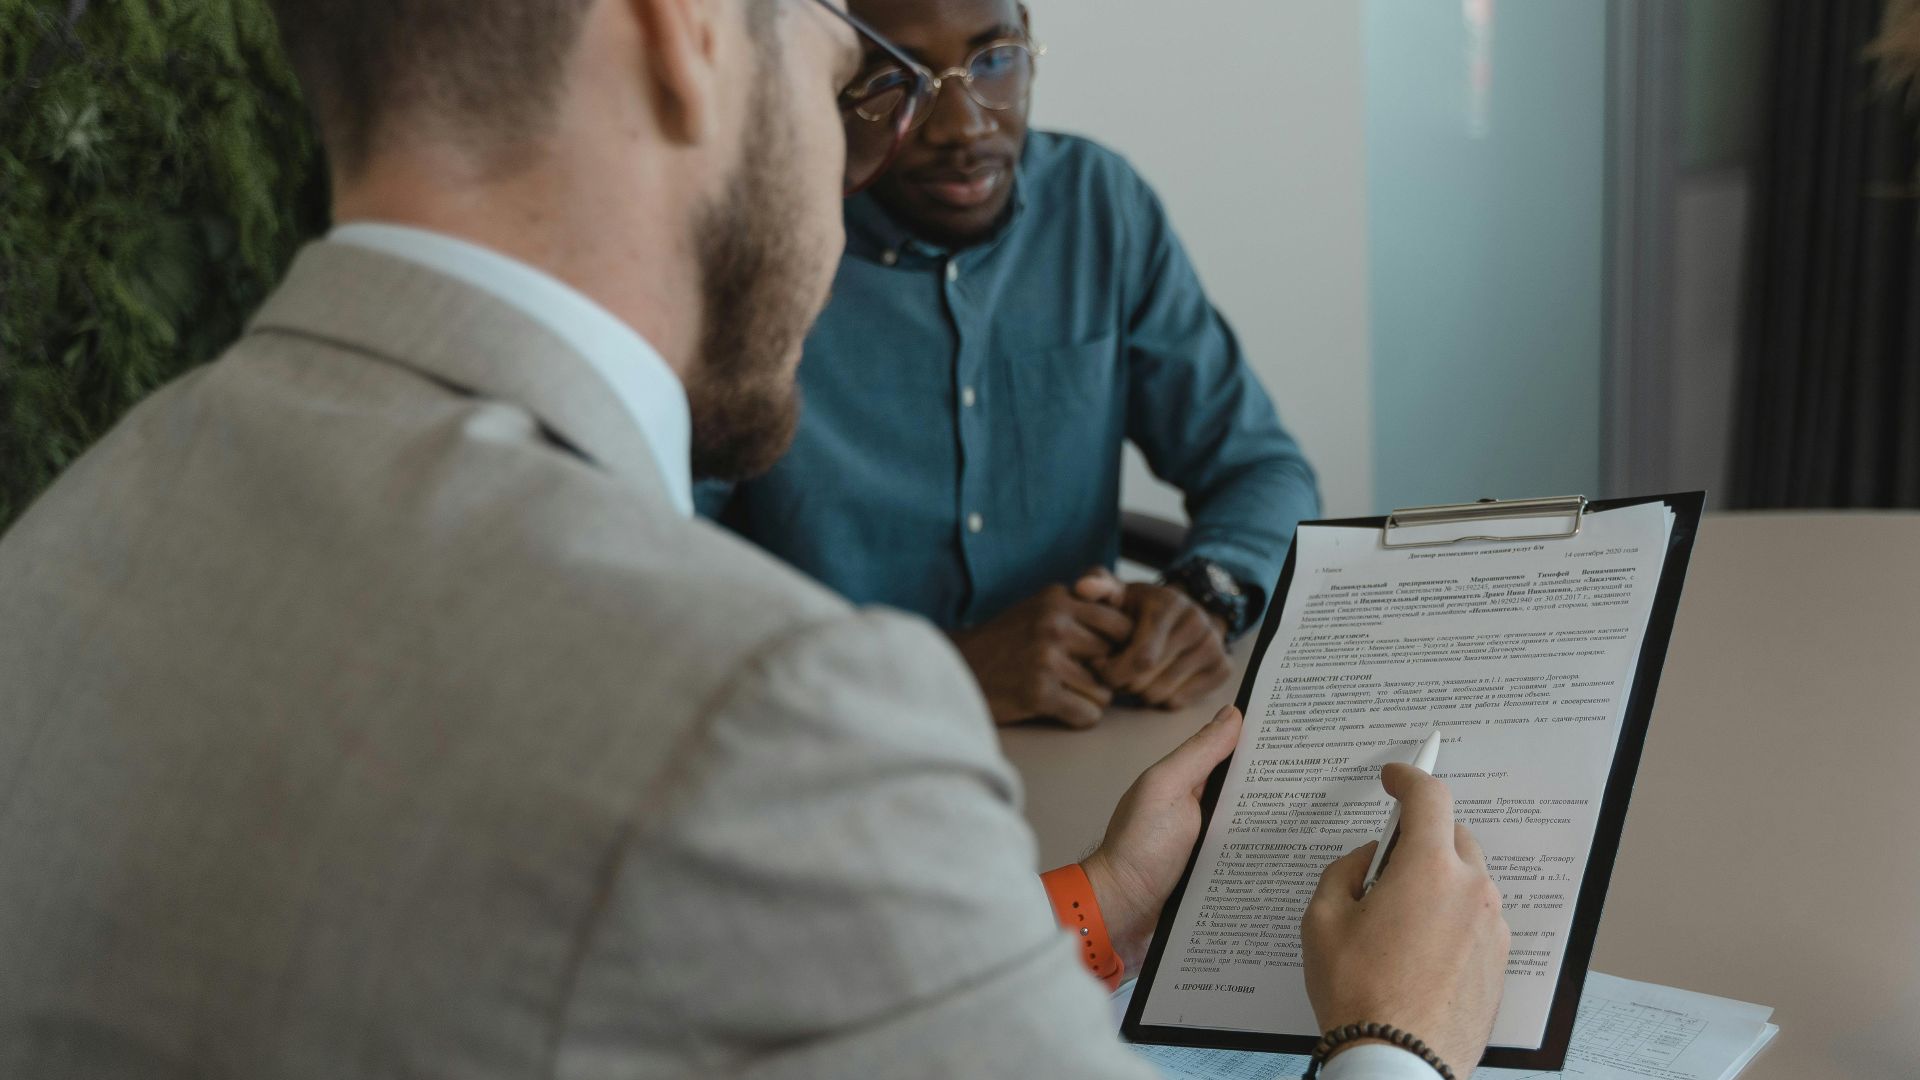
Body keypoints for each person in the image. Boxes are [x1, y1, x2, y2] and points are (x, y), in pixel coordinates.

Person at [0, 1, 1505, 1077]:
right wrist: (1397, 1037)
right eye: (851, 69)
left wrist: (1093, 907)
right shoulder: (761, 718)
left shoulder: (67, 540)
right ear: (686, 34)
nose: (880, 143)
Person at [698, 0, 1321, 729]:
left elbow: (1262, 468)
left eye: (993, 61)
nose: (963, 127)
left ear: (1028, 40)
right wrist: (945, 669)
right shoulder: (755, 248)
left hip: (1086, 732)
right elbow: (656, 573)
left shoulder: (1098, 206)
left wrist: (1206, 593)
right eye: (900, 74)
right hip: (834, 741)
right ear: (829, 73)